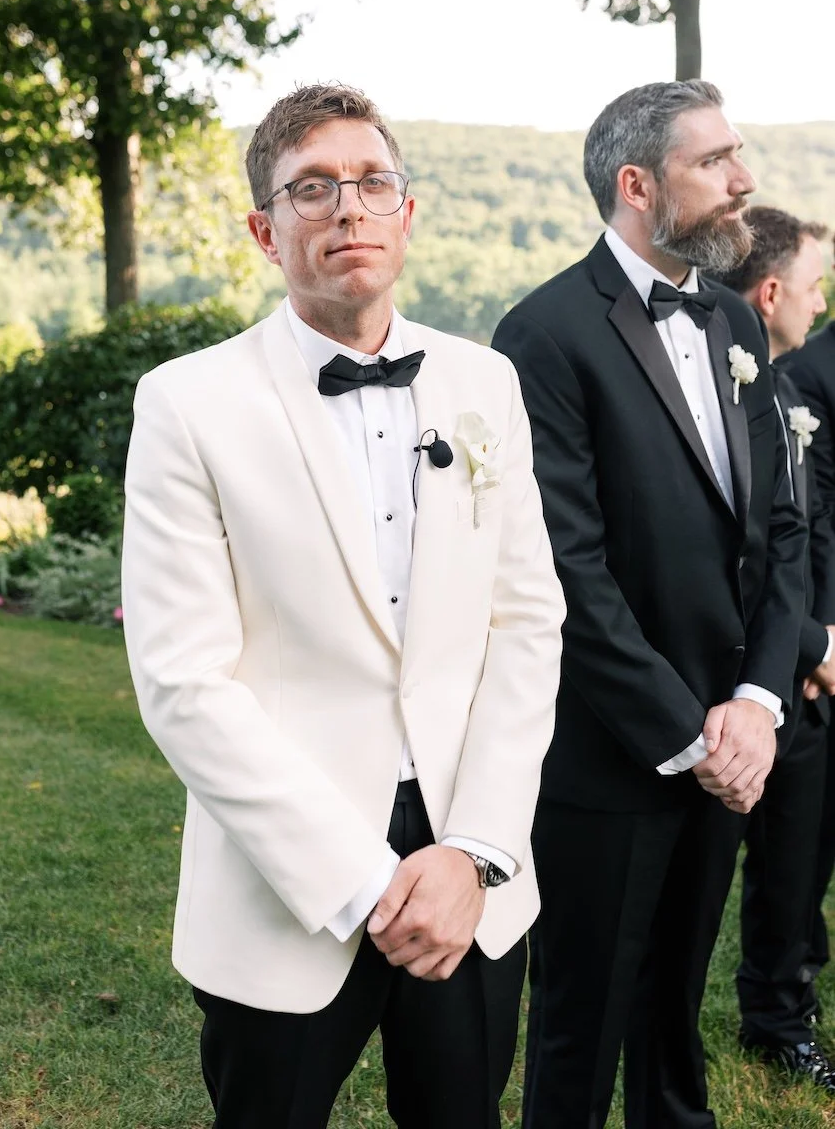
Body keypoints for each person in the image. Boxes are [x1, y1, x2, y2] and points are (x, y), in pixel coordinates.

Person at [121, 83, 565, 1129]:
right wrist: (363, 881)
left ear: (407, 212)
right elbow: (183, 682)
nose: (348, 209)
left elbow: (525, 624)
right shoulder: (188, 402)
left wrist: (476, 850)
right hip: (286, 877)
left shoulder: (486, 384)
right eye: (312, 189)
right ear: (264, 231)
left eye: (372, 183)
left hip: (469, 872)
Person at [492, 80, 807, 1129]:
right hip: (612, 751)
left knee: (675, 1011)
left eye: (737, 154)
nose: (743, 180)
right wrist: (687, 734)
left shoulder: (733, 319)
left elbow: (780, 532)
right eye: (715, 161)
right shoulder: (544, 334)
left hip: (731, 738)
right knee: (580, 1025)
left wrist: (757, 703)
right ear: (637, 185)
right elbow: (566, 569)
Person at [709, 205, 835, 1090]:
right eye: (814, 285)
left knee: (800, 850)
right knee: (756, 855)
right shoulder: (760, 390)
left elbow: (807, 533)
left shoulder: (787, 393)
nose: (819, 302)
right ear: (770, 292)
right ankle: (767, 1013)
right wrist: (812, 642)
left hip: (806, 658)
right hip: (742, 672)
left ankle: (784, 1008)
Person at [782, 230, 835, 1013]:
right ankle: (782, 1003)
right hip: (824, 649)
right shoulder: (809, 377)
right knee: (801, 848)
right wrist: (818, 641)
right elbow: (813, 529)